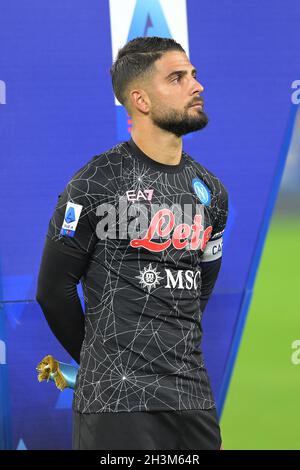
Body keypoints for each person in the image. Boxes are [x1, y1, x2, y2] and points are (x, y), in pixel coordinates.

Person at [36, 36, 228, 451]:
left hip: (191, 398)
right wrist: (101, 360)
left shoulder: (211, 191)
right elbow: (53, 291)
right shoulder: (95, 181)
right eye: (177, 78)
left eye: (194, 75)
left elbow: (201, 290)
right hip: (115, 403)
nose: (197, 85)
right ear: (140, 100)